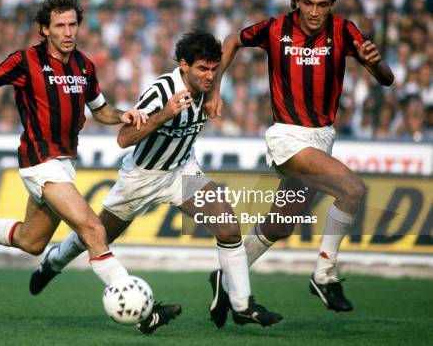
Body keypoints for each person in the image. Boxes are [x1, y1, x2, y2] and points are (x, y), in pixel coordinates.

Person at [0, 0, 161, 327]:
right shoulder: (24, 61)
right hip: (39, 163)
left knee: (32, 241)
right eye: (60, 26)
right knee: (93, 228)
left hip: (64, 164)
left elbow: (101, 110)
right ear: (45, 29)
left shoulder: (84, 65)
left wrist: (124, 115)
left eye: (73, 25)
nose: (69, 32)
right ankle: (141, 310)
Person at [29, 29, 282, 332]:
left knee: (227, 224)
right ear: (184, 65)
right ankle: (54, 262)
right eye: (203, 69)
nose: (210, 75)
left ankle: (242, 304)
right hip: (142, 177)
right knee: (98, 235)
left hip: (181, 171)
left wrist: (214, 91)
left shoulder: (208, 85)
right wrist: (164, 114)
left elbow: (230, 48)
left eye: (214, 69)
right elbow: (124, 138)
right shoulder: (162, 91)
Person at [205, 0, 395, 316]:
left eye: (322, 4)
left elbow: (387, 80)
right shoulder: (276, 28)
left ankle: (226, 277)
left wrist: (376, 64)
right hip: (287, 137)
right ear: (296, 2)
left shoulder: (343, 30)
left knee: (280, 223)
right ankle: (324, 275)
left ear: (332, 4)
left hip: (322, 139)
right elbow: (232, 39)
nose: (314, 12)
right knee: (352, 189)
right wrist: (215, 89)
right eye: (307, 3)